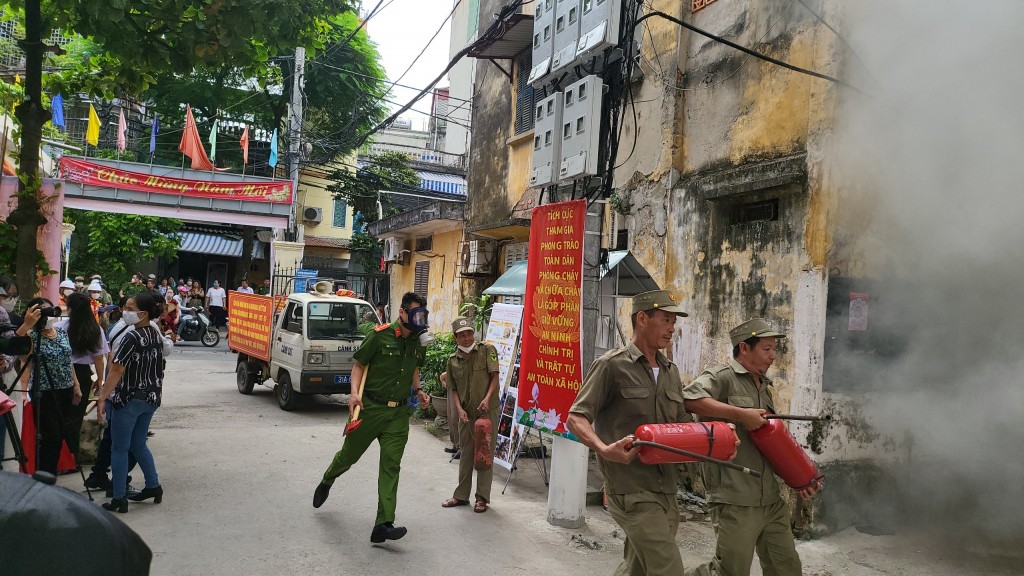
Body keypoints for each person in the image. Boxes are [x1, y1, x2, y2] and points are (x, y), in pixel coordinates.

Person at [566, 289, 690, 576]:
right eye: (666, 319)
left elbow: (683, 421)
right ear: (642, 318)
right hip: (630, 488)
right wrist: (602, 448)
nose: (672, 328)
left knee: (637, 566)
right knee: (668, 568)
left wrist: (714, 435)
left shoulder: (670, 371)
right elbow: (576, 418)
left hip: (666, 488)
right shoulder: (612, 365)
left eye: (674, 321)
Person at [683, 319, 818, 576]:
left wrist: (800, 477)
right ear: (744, 348)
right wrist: (741, 414)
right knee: (729, 571)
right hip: (735, 499)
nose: (773, 356)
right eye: (767, 349)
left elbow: (772, 442)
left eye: (774, 349)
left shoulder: (764, 387)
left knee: (786, 568)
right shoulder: (722, 377)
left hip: (770, 499)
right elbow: (690, 399)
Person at [312, 291, 431, 544]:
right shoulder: (379, 336)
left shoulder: (418, 342)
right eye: (414, 313)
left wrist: (419, 390)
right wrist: (354, 394)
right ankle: (328, 479)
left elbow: (414, 369)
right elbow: (359, 365)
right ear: (402, 312)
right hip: (370, 409)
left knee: (391, 465)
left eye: (422, 313)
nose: (419, 318)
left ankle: (383, 524)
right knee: (349, 457)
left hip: (398, 414)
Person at [87, 296, 172, 493]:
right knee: (139, 444)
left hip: (129, 399)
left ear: (143, 313)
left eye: (131, 308)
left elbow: (116, 370)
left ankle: (119, 496)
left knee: (119, 449)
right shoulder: (155, 333)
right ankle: (153, 485)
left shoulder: (132, 337)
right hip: (151, 397)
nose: (126, 311)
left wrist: (101, 397)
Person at [13, 299, 82, 475]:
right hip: (44, 392)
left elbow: (68, 360)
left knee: (61, 434)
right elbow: (20, 357)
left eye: (49, 310)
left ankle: (50, 473)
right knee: (51, 436)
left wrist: (76, 384)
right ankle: (44, 475)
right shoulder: (31, 336)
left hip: (65, 390)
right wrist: (27, 324)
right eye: (42, 312)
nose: (48, 315)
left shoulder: (60, 332)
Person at [441, 317, 499, 513]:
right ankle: (461, 496)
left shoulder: (487, 350)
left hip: (486, 412)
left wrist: (487, 399)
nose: (466, 338)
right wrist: (459, 410)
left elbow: (495, 377)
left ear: (473, 333)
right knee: (465, 454)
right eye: (461, 335)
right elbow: (453, 389)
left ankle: (482, 497)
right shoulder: (452, 361)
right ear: (455, 337)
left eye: (468, 333)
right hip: (465, 413)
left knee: (484, 453)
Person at [54, 293, 108, 471]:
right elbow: (99, 358)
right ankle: (72, 459)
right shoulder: (95, 329)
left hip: (61, 374)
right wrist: (99, 380)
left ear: (69, 309)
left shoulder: (59, 327)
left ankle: (56, 459)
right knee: (75, 417)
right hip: (84, 375)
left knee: (59, 416)